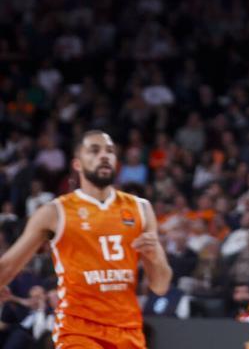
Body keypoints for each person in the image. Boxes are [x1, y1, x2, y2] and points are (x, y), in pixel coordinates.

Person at [0, 130, 171, 349]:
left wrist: (155, 254)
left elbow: (160, 286)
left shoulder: (141, 208)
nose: (104, 156)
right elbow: (8, 266)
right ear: (78, 164)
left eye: (110, 151)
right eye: (94, 150)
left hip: (128, 332)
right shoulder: (54, 212)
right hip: (78, 332)